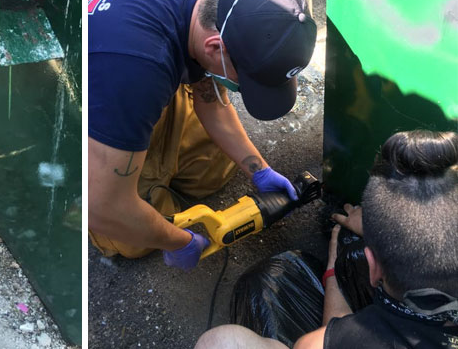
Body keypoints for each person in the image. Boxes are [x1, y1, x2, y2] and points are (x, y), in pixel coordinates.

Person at [88, 0, 316, 263]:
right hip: (89, 110)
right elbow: (103, 207)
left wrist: (259, 169)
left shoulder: (213, 5)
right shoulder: (136, 71)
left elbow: (214, 105)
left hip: (130, 79)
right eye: (246, 81)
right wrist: (178, 242)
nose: (242, 87)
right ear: (214, 48)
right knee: (130, 232)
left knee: (211, 172)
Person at [194, 128, 458, 349]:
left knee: (222, 342)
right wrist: (378, 231)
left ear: (373, 267)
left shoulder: (330, 343)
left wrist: (333, 270)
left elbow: (334, 332)